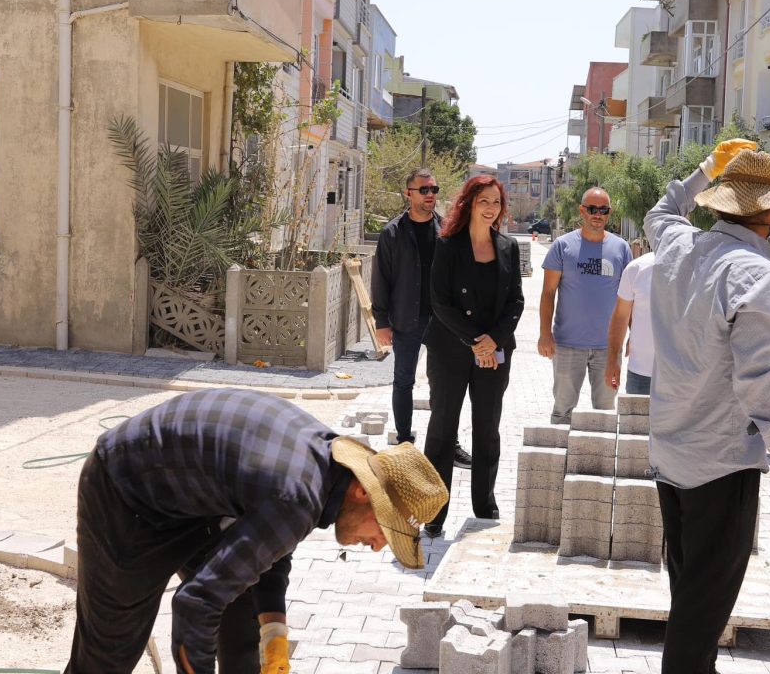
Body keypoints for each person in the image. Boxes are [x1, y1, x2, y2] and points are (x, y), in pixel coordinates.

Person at [64, 388, 448, 674]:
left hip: (193, 500)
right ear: (364, 492)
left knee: (239, 612)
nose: (380, 547)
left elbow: (269, 545)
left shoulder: (325, 468)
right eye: (386, 530)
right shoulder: (297, 494)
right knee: (109, 655)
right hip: (127, 491)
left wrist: (274, 628)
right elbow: (193, 604)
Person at [644, 142, 770, 674]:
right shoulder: (758, 276)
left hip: (670, 456)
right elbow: (758, 382)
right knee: (699, 618)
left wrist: (702, 170)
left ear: (718, 201)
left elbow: (660, 213)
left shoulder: (676, 246)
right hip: (721, 466)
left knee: (691, 595)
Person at [421, 174, 524, 538]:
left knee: (487, 429)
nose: (491, 208)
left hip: (493, 353)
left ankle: (485, 503)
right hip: (450, 349)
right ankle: (434, 511)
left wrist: (492, 341)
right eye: (484, 201)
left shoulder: (509, 247)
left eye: (496, 202)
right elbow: (440, 302)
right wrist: (474, 341)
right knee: (442, 429)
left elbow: (516, 302)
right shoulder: (447, 245)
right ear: (469, 204)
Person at [372, 168, 472, 468]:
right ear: (409, 194)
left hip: (443, 322)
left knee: (445, 385)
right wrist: (381, 321)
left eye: (434, 189)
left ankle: (448, 444)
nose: (430, 195)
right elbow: (381, 279)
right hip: (405, 320)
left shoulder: (446, 230)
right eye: (424, 190)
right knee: (403, 381)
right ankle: (404, 444)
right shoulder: (392, 233)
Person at [538, 187, 633, 422]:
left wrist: (635, 334)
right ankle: (559, 458)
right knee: (563, 411)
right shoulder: (562, 246)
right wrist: (544, 334)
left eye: (603, 210)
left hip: (608, 349)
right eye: (592, 209)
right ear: (582, 211)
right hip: (568, 345)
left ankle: (598, 460)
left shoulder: (621, 249)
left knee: (605, 413)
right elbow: (548, 293)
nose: (597, 214)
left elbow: (631, 298)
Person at [604, 249, 656, 395]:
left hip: (685, 376)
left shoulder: (698, 267)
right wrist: (613, 361)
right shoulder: (637, 268)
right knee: (635, 418)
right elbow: (621, 315)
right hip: (641, 373)